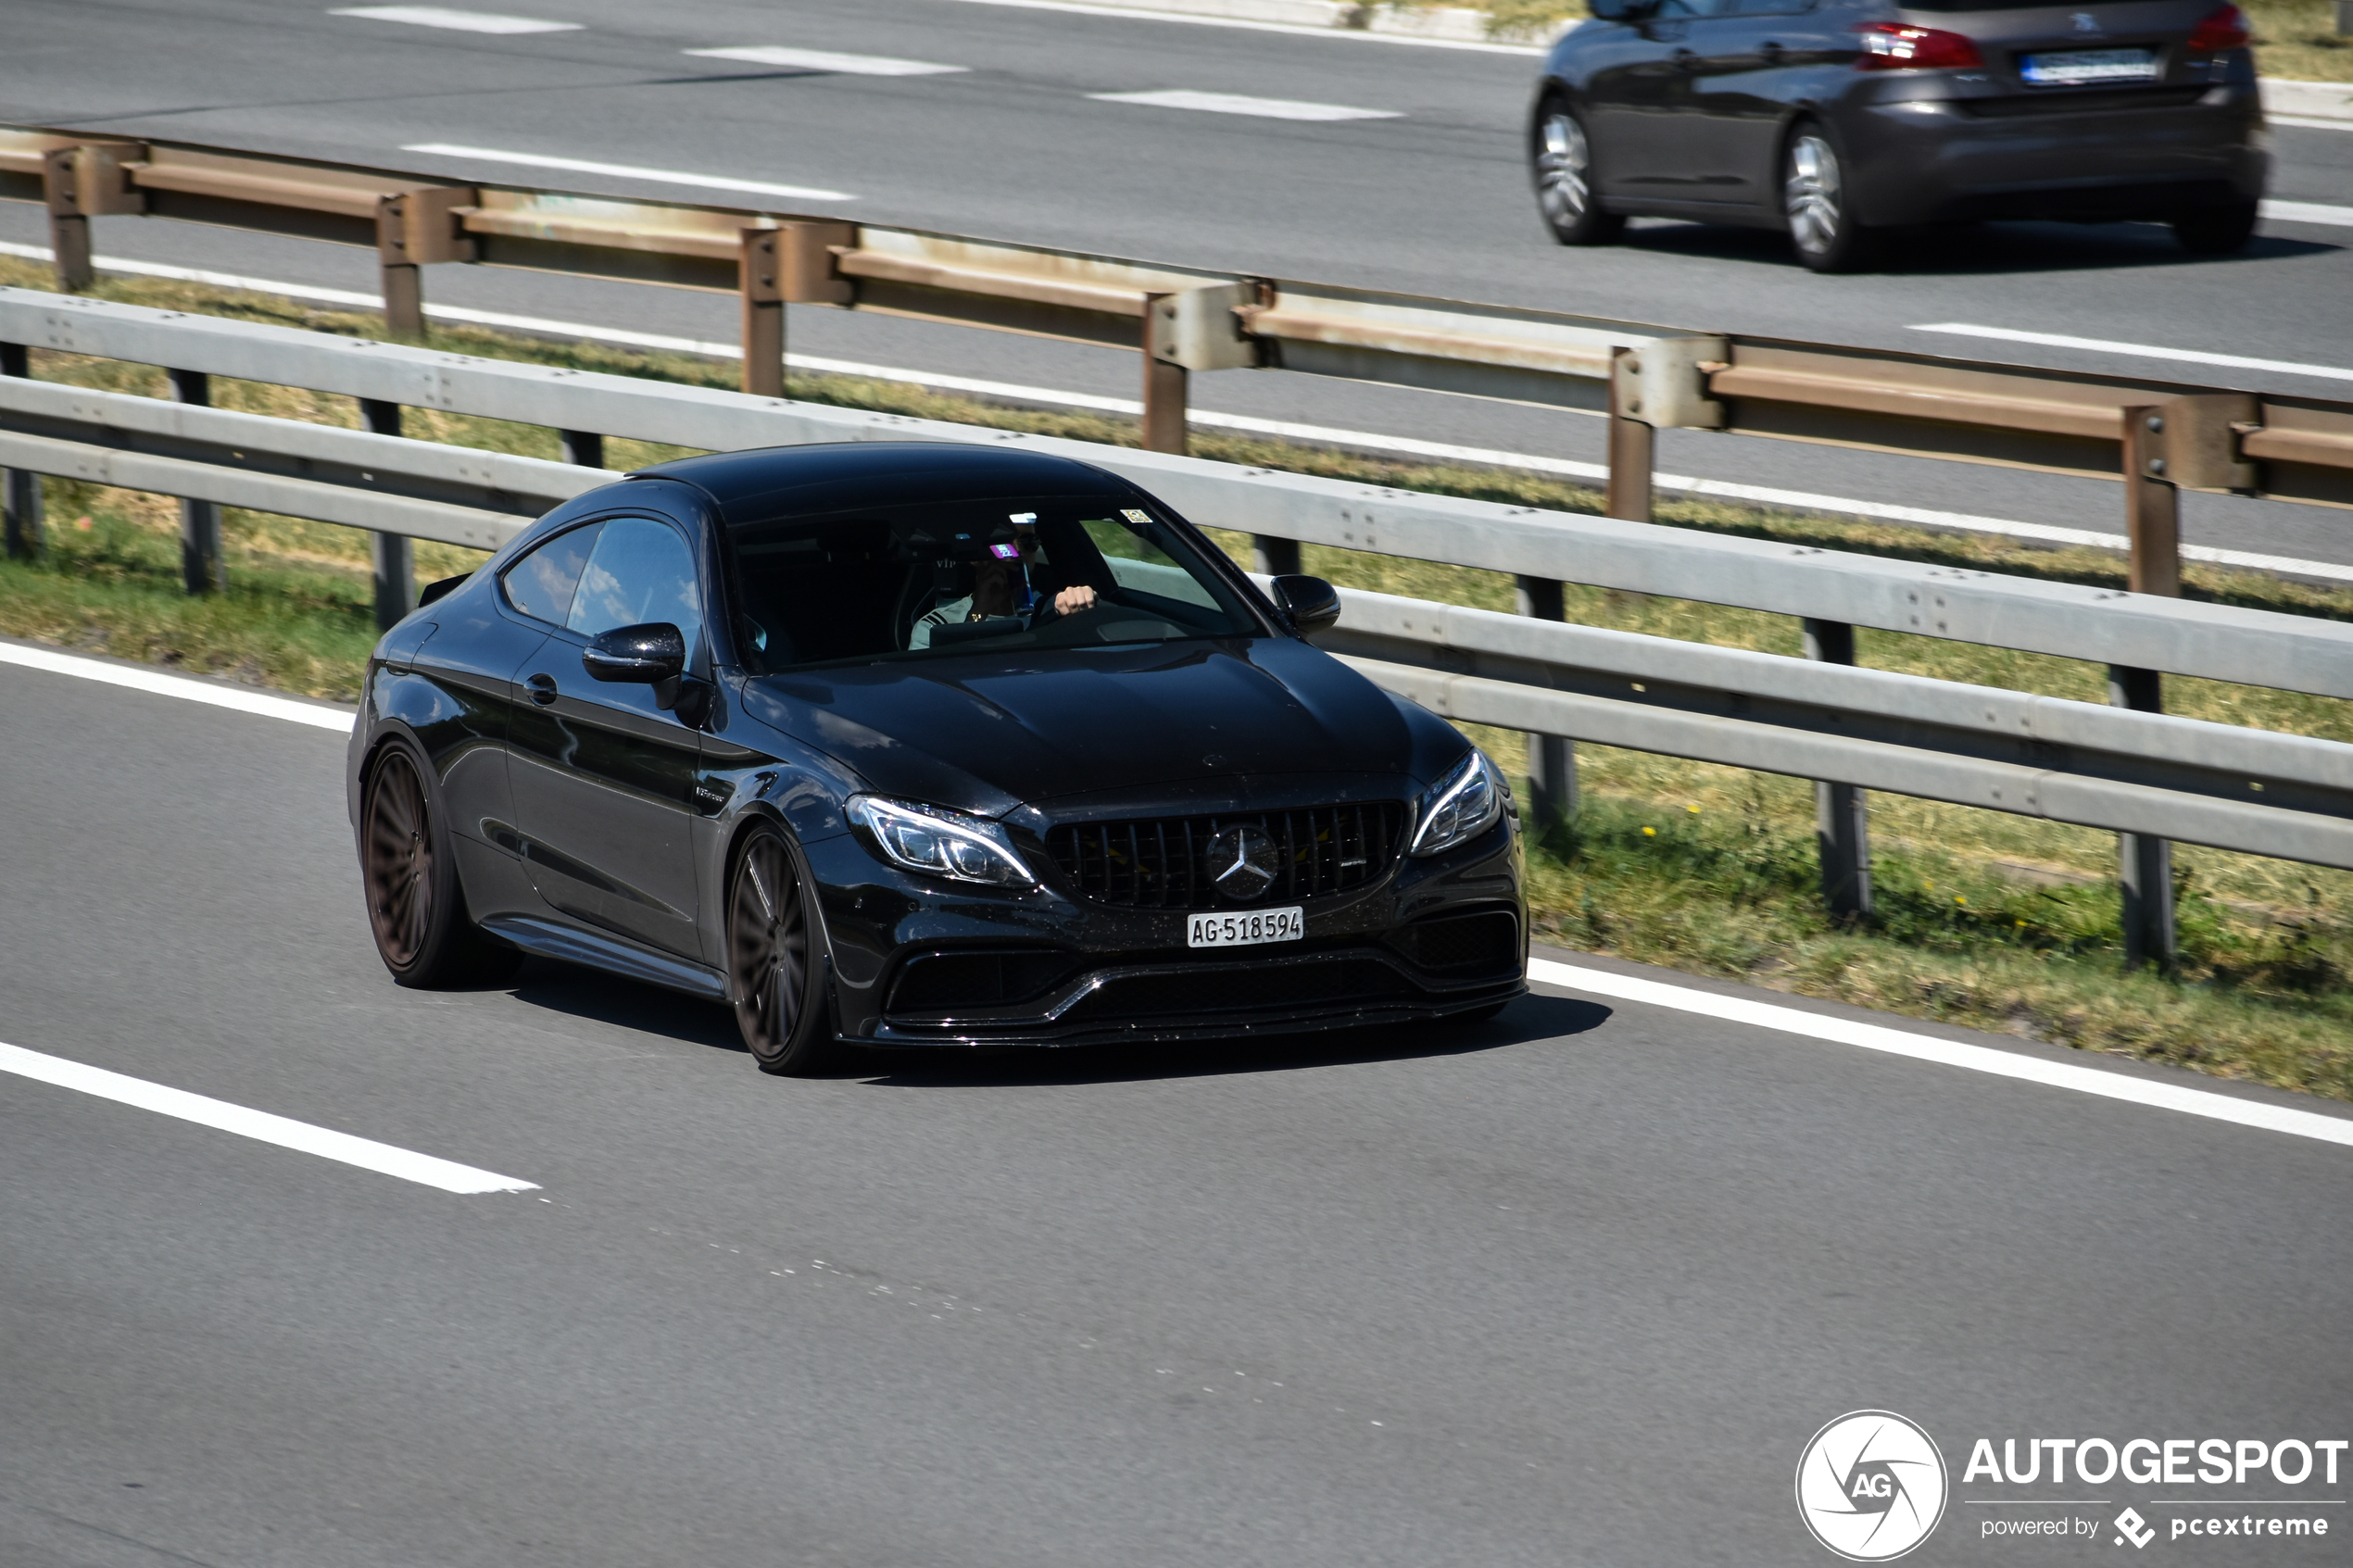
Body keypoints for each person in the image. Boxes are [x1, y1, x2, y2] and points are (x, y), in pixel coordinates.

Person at [908, 522, 1098, 648]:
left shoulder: (1057, 610)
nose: (1016, 551)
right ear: (975, 557)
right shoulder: (935, 626)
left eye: (1028, 542)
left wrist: (1081, 602)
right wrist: (979, 613)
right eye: (1002, 542)